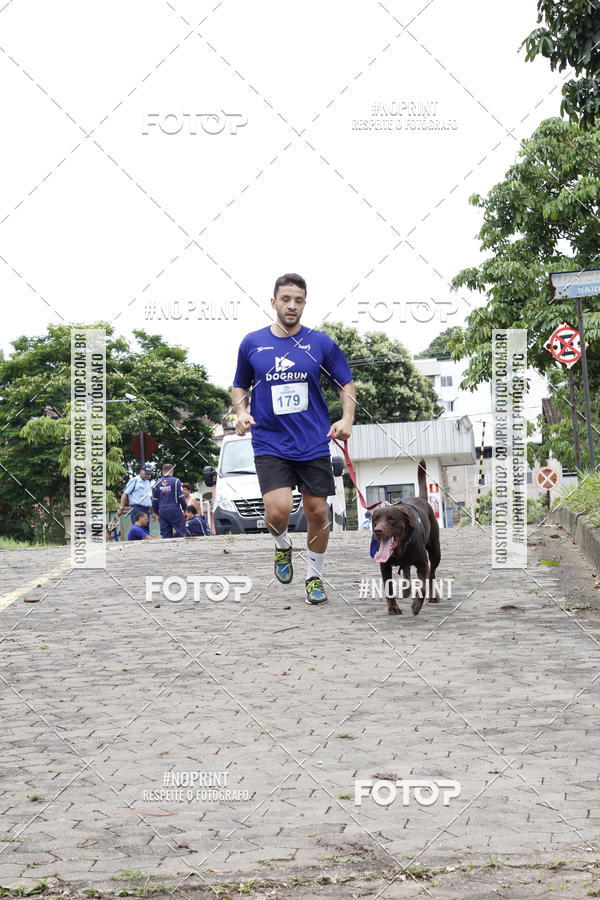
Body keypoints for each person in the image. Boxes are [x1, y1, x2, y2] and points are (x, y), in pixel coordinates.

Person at [232, 272, 355, 605]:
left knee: (317, 512)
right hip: (270, 441)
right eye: (286, 299)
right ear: (273, 302)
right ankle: (282, 544)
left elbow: (345, 382)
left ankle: (314, 577)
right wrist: (241, 412)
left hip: (313, 440)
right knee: (278, 511)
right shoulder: (252, 343)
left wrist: (347, 418)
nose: (292, 306)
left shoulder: (320, 343)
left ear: (304, 303)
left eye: (298, 300)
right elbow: (240, 385)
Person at [152, 463, 187, 538]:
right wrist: (185, 509)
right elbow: (181, 498)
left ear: (162, 471)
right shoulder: (176, 481)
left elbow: (154, 501)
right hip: (174, 510)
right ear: (172, 471)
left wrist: (156, 513)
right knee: (181, 532)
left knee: (165, 535)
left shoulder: (156, 483)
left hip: (162, 511)